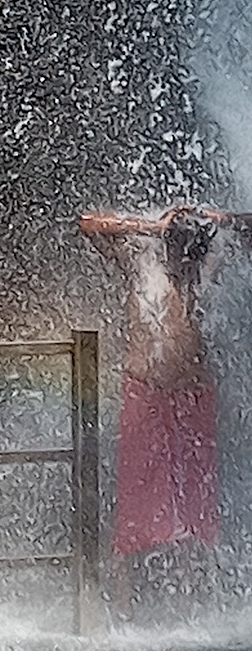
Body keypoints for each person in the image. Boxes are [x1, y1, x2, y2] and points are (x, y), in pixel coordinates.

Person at [78, 203, 242, 607]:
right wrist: (153, 224)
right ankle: (122, 608)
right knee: (133, 510)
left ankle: (195, 605)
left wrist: (218, 219)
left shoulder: (206, 268)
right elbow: (88, 223)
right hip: (146, 391)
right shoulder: (142, 258)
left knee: (195, 512)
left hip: (192, 396)